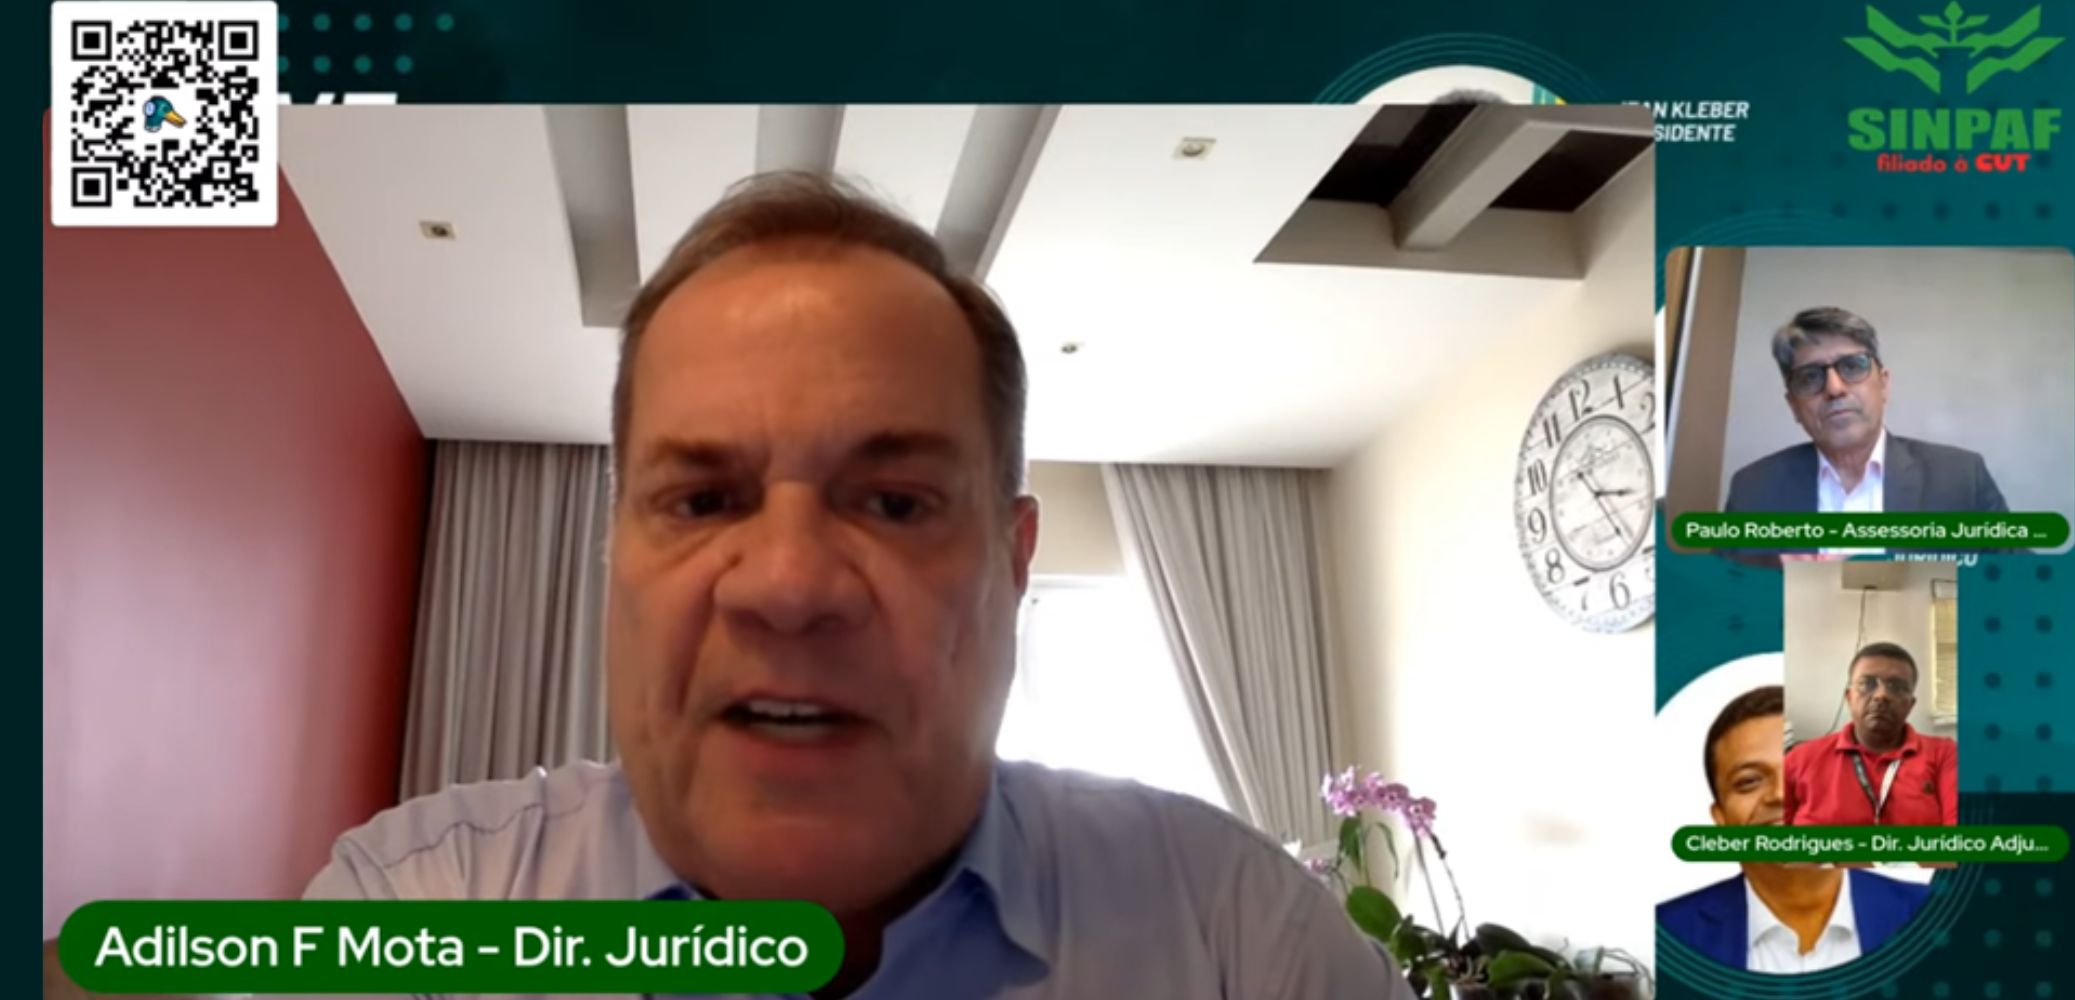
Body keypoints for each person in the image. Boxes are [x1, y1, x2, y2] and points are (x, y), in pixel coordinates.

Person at [301, 172, 1409, 999]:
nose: (788, 586)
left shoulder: (1237, 935)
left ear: (1013, 561)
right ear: (614, 551)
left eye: (894, 503)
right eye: (701, 499)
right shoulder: (416, 909)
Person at [1658, 685, 1930, 973]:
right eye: (1749, 781)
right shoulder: (1666, 936)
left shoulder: (1930, 918)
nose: (1781, 794)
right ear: (1721, 819)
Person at [1722, 307, 2007, 514]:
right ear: (1794, 405)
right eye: (1809, 377)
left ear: (1883, 385)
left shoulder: (1961, 477)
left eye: (1852, 366)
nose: (1834, 388)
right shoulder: (1753, 490)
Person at [1785, 642, 1959, 827]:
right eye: (1867, 683)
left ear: (1911, 704)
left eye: (1897, 687)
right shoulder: (1798, 760)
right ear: (1849, 697)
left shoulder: (1945, 754)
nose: (1881, 695)